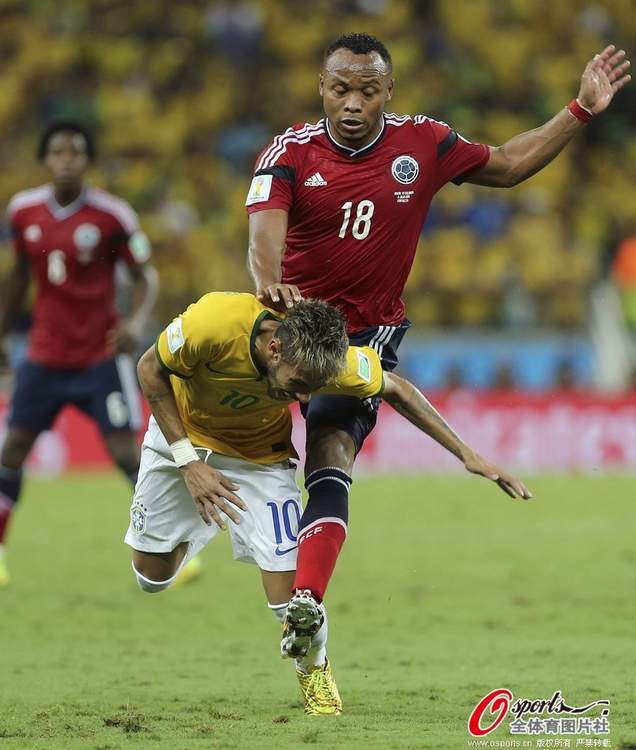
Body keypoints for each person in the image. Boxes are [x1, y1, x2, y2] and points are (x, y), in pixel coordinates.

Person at [245, 32, 630, 652]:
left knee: (329, 448)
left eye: (367, 92)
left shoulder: (422, 142)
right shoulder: (288, 153)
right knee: (241, 461)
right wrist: (269, 287)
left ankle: (306, 604)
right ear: (321, 87)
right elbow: (264, 236)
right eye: (340, 89)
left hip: (366, 333)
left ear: (387, 93)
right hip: (289, 326)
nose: (351, 104)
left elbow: (507, 165)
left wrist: (579, 108)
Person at [127, 291, 530, 716]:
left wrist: (467, 454)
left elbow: (399, 390)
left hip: (260, 461)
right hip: (182, 445)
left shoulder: (329, 362)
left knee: (293, 600)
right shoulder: (213, 322)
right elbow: (149, 369)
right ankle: (200, 520)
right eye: (299, 386)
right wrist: (189, 464)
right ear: (274, 346)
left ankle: (315, 672)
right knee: (151, 577)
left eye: (313, 390)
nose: (303, 400)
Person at [0, 121, 159, 587]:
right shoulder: (23, 211)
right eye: (57, 152)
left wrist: (135, 324)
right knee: (12, 450)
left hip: (99, 356)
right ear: (45, 160)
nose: (66, 159)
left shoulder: (113, 216)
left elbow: (147, 276)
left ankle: (169, 548)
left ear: (87, 160)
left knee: (125, 455)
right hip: (44, 356)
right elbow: (17, 278)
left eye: (75, 151)